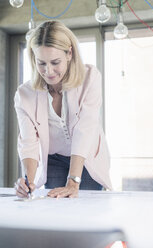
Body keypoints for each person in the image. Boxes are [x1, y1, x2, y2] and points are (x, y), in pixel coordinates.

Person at [14, 20, 112, 199]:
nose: (48, 71)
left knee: (86, 208)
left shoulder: (90, 78)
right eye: (41, 63)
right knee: (58, 207)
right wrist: (28, 181)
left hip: (87, 158)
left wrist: (73, 181)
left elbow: (85, 129)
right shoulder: (24, 94)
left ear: (69, 53)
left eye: (55, 62)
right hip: (54, 159)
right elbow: (28, 142)